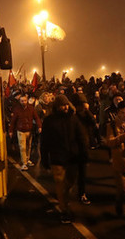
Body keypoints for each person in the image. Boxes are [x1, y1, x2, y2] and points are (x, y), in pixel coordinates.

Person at [40, 95, 88, 224]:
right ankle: (64, 210)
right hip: (57, 158)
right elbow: (44, 142)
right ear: (57, 107)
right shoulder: (49, 121)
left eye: (67, 104)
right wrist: (45, 159)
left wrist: (84, 154)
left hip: (73, 157)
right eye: (62, 105)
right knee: (60, 184)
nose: (65, 107)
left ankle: (64, 199)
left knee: (69, 183)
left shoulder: (73, 119)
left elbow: (82, 137)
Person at [9, 94, 42, 170]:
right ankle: (24, 163)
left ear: (27, 100)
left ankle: (27, 159)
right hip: (21, 131)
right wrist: (11, 130)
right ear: (20, 101)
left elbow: (36, 118)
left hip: (29, 130)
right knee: (22, 147)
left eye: (25, 100)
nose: (23, 102)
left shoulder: (31, 108)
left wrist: (39, 126)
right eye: (22, 101)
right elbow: (13, 121)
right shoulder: (17, 109)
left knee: (28, 146)